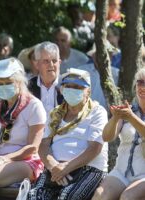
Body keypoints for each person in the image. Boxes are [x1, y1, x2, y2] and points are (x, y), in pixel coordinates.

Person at [92, 65, 145, 200]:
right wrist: (116, 117)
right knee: (100, 196)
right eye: (140, 82)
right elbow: (106, 137)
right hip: (121, 173)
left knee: (128, 197)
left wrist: (131, 117)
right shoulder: (129, 110)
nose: (143, 87)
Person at [28, 68, 108, 200]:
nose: (72, 90)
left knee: (67, 197)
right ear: (62, 89)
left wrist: (66, 168)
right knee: (34, 195)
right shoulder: (55, 113)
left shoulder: (97, 112)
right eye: (68, 86)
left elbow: (95, 148)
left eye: (77, 87)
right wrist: (54, 166)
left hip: (88, 169)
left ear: (88, 91)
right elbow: (43, 145)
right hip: (55, 169)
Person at [0, 58, 46, 187]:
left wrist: (4, 159)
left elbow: (32, 148)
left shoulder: (34, 106)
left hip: (27, 161)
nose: (3, 87)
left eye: (8, 83)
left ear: (19, 82)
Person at [28, 42, 64, 116]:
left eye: (54, 61)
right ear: (37, 64)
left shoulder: (68, 85)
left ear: (59, 63)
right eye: (46, 61)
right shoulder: (27, 87)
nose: (51, 65)